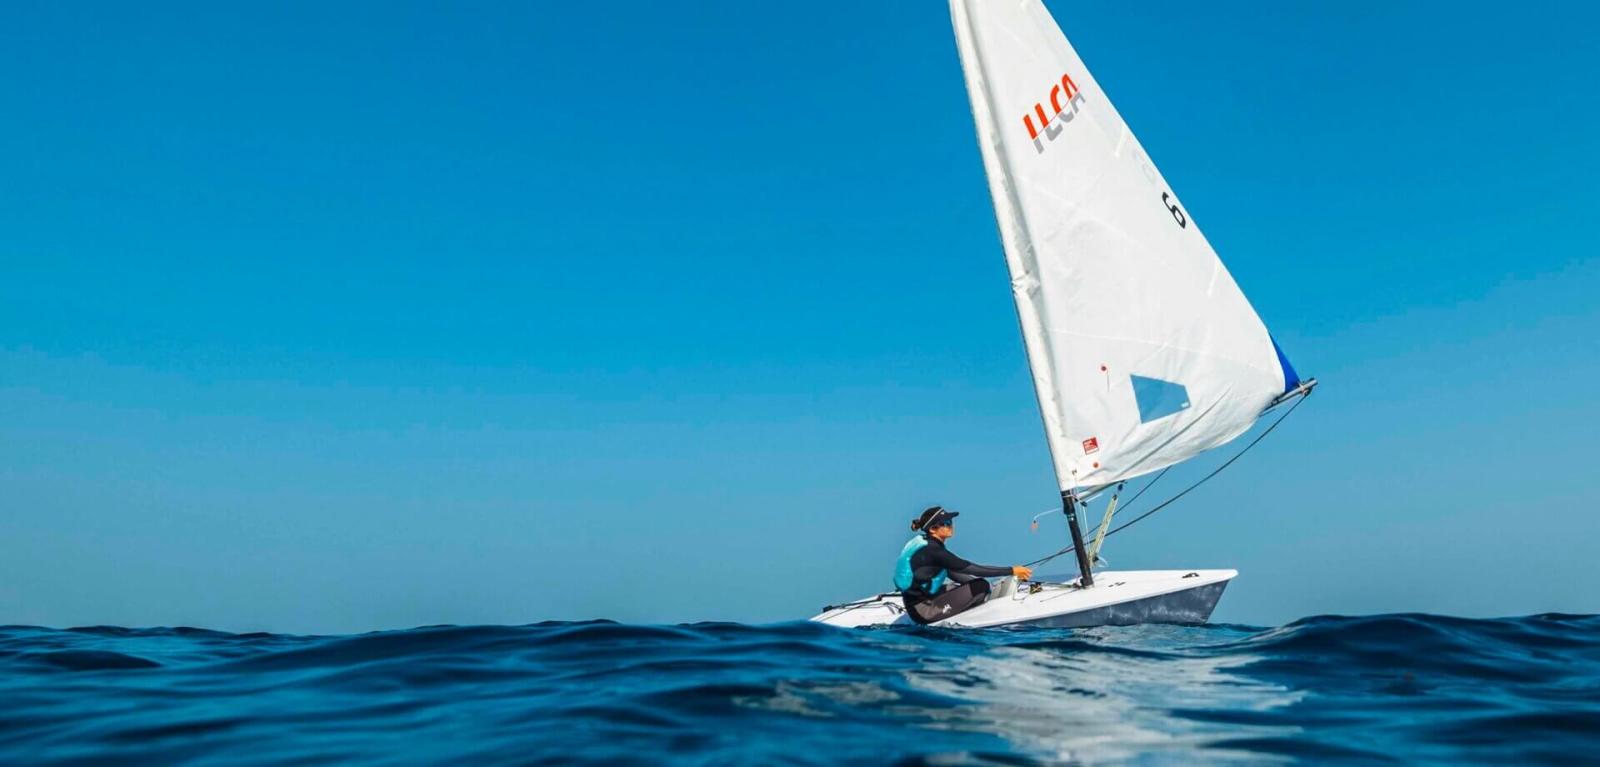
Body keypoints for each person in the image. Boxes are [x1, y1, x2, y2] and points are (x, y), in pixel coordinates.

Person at [895, 506, 1033, 625]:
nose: (951, 526)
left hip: (917, 603)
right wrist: (1012, 570)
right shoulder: (935, 551)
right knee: (980, 587)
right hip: (924, 612)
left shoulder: (925, 544)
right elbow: (973, 568)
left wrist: (974, 583)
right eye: (946, 523)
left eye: (951, 522)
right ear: (933, 529)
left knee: (972, 585)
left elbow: (950, 571)